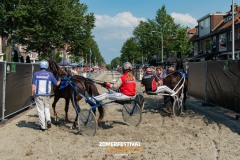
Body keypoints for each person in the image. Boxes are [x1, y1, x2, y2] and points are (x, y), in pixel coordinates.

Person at [30, 60, 61, 131]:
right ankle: (48, 120)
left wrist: (32, 95)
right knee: (46, 107)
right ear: (47, 67)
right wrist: (59, 79)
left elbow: (33, 86)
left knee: (40, 110)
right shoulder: (50, 74)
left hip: (38, 95)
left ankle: (43, 126)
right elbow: (56, 84)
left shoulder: (36, 74)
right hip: (47, 95)